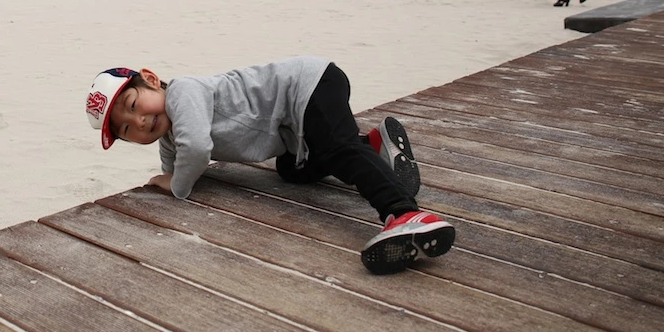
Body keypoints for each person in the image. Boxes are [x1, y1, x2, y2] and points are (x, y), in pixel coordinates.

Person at [84, 61, 454, 274]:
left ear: (151, 79)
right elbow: (180, 162)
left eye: (134, 105)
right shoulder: (168, 135)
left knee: (336, 149)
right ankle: (373, 146)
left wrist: (176, 185)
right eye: (127, 130)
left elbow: (195, 150)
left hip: (308, 85)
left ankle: (404, 214)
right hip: (295, 126)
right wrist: (172, 177)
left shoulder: (183, 93)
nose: (140, 122)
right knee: (292, 169)